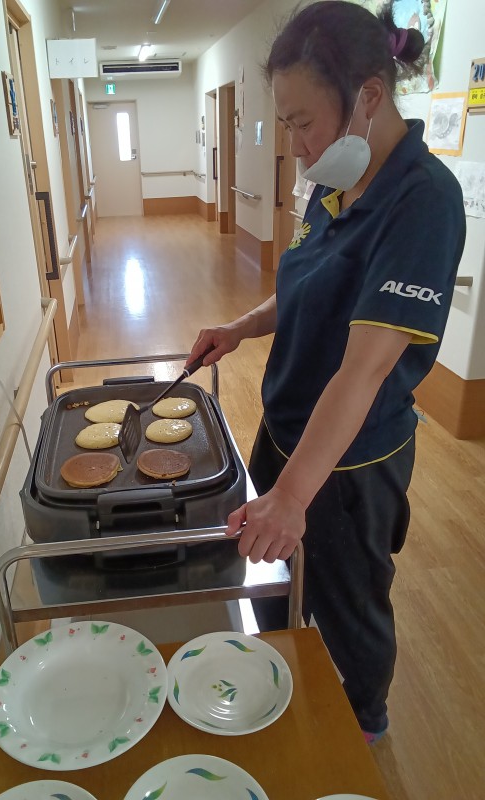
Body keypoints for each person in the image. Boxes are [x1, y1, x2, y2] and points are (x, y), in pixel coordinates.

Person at [187, 0, 466, 744]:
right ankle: (280, 677)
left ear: (368, 95)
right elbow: (304, 286)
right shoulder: (338, 181)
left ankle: (365, 724)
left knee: (351, 604)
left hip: (349, 461)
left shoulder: (423, 202)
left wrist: (292, 497)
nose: (297, 146)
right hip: (286, 429)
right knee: (272, 579)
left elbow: (364, 371)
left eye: (303, 122)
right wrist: (239, 329)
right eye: (286, 125)